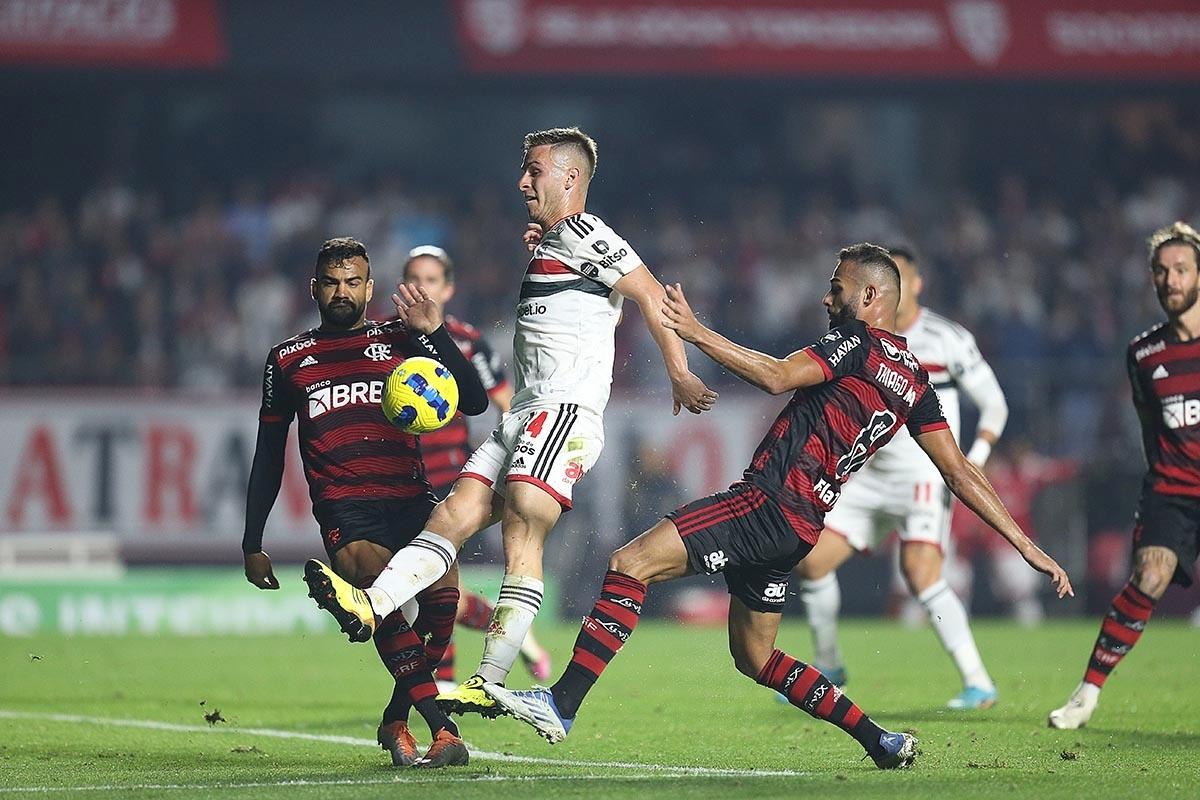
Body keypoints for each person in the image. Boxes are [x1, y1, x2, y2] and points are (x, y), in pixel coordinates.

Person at [480, 244, 1072, 769]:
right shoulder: (914, 379)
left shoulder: (855, 342)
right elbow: (961, 471)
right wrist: (1026, 544)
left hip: (766, 502)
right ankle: (879, 740)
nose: (826, 296)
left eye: (836, 287)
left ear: (870, 295)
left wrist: (696, 332)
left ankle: (562, 703)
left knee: (629, 563)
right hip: (802, 526)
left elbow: (776, 376)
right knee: (755, 655)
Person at [303, 127, 718, 719]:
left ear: (571, 179)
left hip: (563, 411)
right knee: (452, 517)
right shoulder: (559, 240)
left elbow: (653, 296)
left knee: (522, 528)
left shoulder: (588, 232)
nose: (523, 181)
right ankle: (373, 604)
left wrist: (678, 371)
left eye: (536, 171)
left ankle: (492, 679)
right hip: (524, 412)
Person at [241, 237, 488, 768]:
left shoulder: (400, 338)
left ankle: (396, 718)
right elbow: (267, 455)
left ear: (369, 287)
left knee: (443, 601)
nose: (341, 292)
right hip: (345, 510)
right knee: (386, 604)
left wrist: (436, 334)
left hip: (411, 498)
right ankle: (442, 730)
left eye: (353, 282)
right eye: (331, 282)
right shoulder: (288, 360)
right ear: (314, 289)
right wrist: (252, 541)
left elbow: (473, 399)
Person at [792, 246, 1010, 709]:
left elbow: (994, 403)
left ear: (913, 285)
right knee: (811, 561)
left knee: (919, 573)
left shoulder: (946, 338)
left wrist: (977, 456)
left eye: (906, 278)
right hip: (869, 474)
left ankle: (978, 681)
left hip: (922, 477)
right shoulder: (856, 339)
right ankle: (829, 666)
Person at [1049, 221, 1200, 729]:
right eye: (1161, 272)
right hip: (1172, 493)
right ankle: (1087, 693)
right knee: (1150, 575)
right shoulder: (1143, 354)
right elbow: (1148, 426)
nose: (1170, 280)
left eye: (1181, 269)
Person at [400, 245, 552, 686]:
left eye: (431, 280)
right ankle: (516, 638)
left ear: (446, 289)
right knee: (429, 589)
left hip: (447, 475)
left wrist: (514, 467)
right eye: (414, 279)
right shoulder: (388, 339)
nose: (422, 288)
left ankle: (441, 682)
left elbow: (507, 405)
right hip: (402, 475)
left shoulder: (465, 342)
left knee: (429, 583)